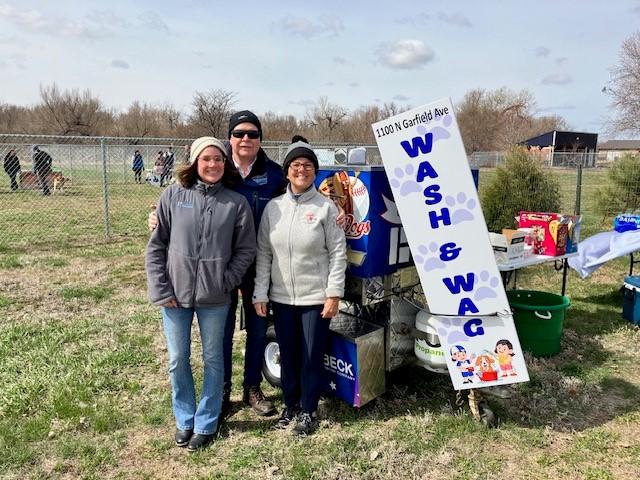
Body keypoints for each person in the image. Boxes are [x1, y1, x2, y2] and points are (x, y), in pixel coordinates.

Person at [149, 110, 286, 417]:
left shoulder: (275, 174)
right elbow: (186, 202)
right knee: (220, 332)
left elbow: (297, 198)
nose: (245, 139)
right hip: (216, 267)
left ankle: (251, 386)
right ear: (229, 139)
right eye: (239, 133)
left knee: (258, 326)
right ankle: (221, 391)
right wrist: (155, 217)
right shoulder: (217, 167)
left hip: (258, 262)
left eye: (252, 133)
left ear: (261, 138)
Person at [146, 136, 256, 452]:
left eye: (219, 159)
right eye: (206, 159)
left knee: (213, 358)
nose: (212, 165)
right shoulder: (172, 196)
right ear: (195, 162)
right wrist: (160, 288)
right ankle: (184, 418)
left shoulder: (236, 203)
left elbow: (246, 249)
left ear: (225, 163)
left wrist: (227, 279)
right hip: (174, 296)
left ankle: (207, 421)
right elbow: (156, 248)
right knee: (178, 358)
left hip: (215, 297)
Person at [253, 139, 347, 436]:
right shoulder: (273, 209)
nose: (301, 170)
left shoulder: (326, 208)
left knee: (309, 356)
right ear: (287, 172)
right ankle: (290, 406)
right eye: (295, 165)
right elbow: (264, 253)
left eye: (307, 165)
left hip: (314, 298)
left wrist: (333, 294)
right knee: (289, 354)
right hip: (281, 297)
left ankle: (308, 410)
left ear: (315, 172)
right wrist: (260, 292)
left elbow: (337, 253)